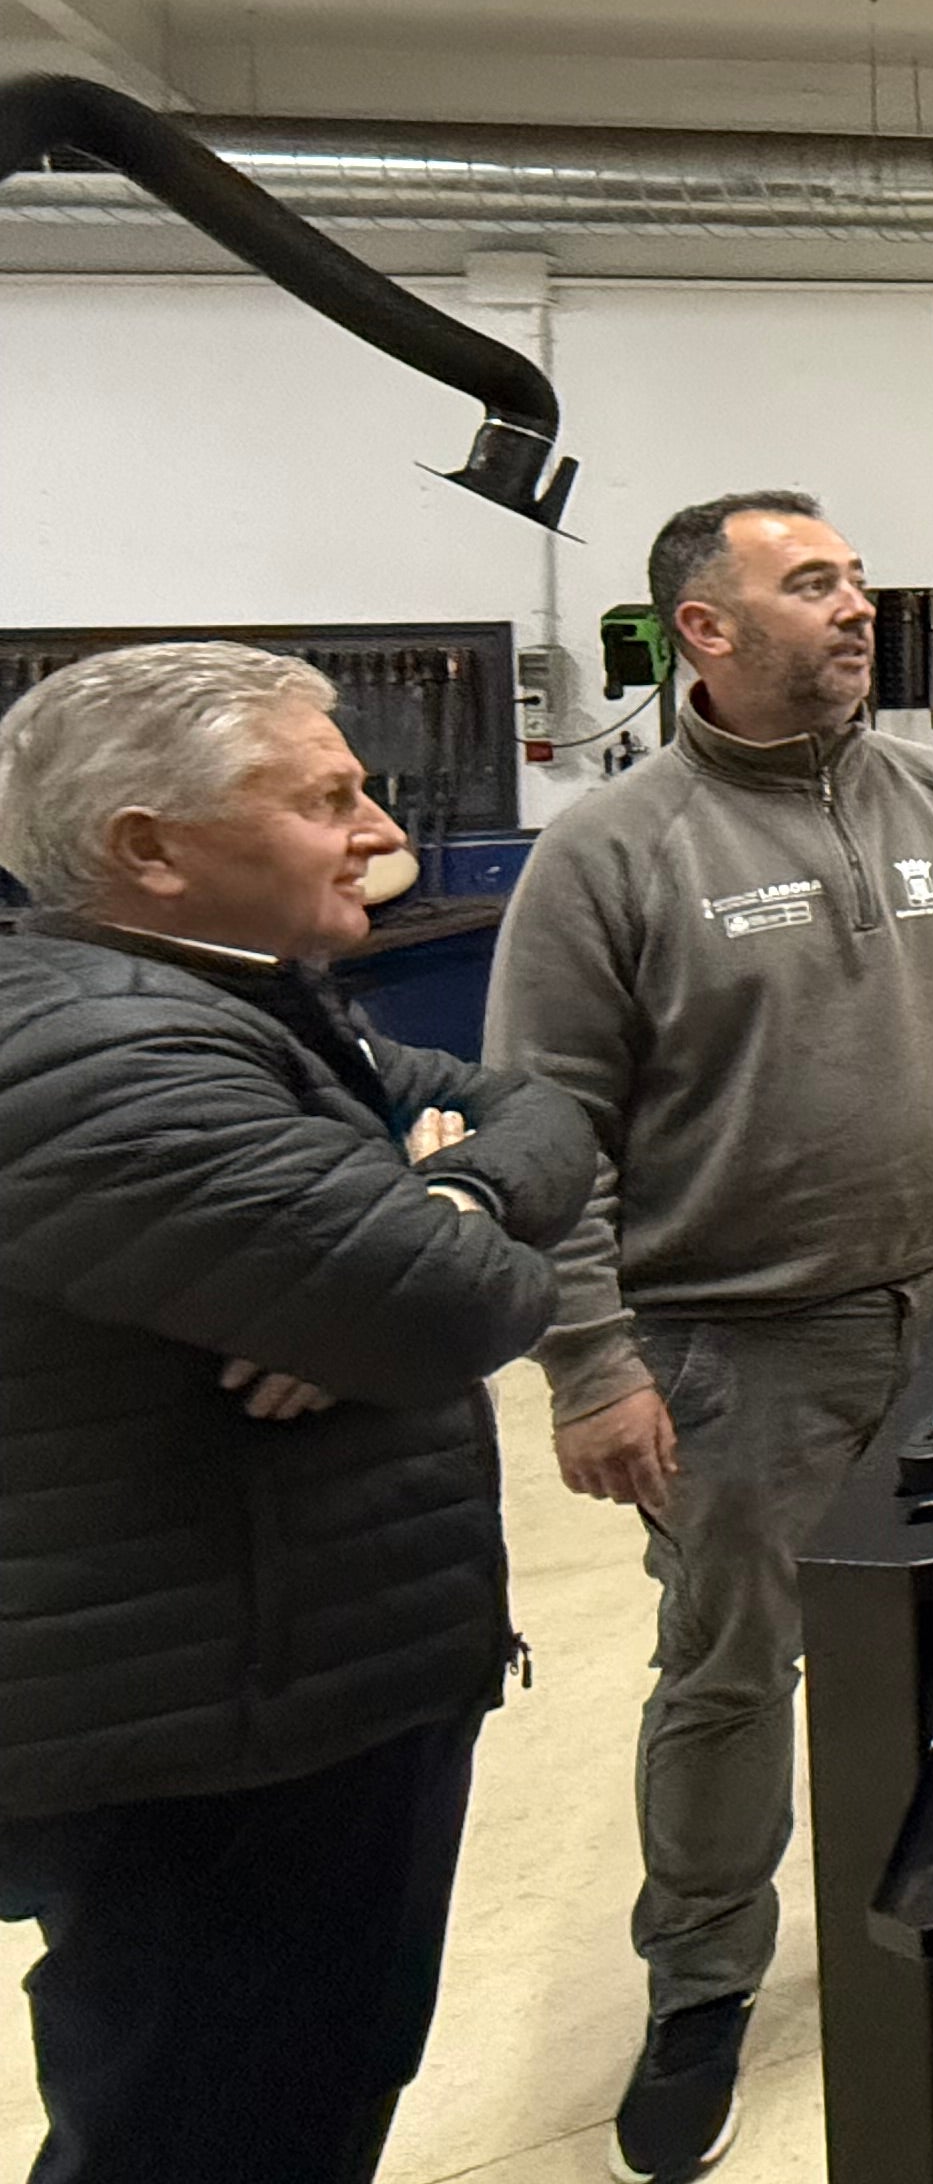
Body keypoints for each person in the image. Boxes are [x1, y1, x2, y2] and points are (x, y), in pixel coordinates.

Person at [490, 492, 933, 2184]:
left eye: (858, 581)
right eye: (815, 582)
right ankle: (700, 1983)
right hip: (738, 1353)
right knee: (728, 1674)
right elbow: (548, 1138)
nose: (858, 606)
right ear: (705, 626)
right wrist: (591, 1363)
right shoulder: (612, 852)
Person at [0, 643, 594, 2184]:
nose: (377, 831)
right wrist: (412, 1251)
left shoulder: (248, 1003)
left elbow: (539, 1112)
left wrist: (447, 1192)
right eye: (326, 800)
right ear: (150, 848)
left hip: (309, 1680)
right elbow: (453, 1308)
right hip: (223, 1747)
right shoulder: (100, 1057)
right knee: (209, 2131)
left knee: (312, 2095)